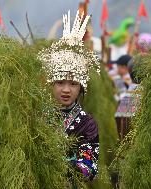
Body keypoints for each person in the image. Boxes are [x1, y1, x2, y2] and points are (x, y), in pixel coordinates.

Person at [38, 10, 100, 182]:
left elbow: (90, 164)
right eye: (60, 83)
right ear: (51, 85)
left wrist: (75, 167)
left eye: (73, 84)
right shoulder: (37, 117)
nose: (66, 90)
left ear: (81, 88)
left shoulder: (88, 124)